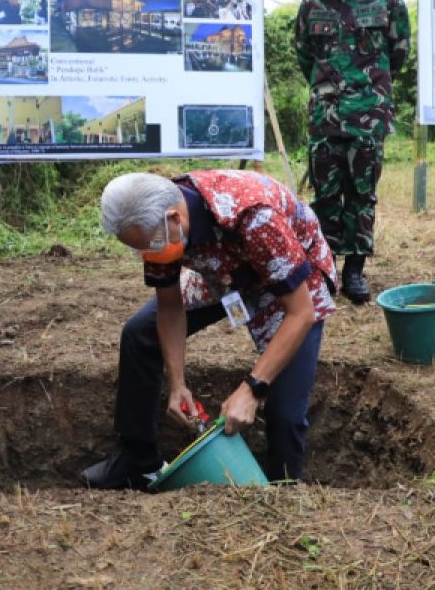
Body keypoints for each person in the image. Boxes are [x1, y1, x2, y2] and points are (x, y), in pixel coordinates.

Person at [81, 170, 337, 490]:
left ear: (175, 218)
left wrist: (251, 390)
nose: (148, 257)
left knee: (285, 410)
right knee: (139, 333)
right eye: (139, 251)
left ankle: (283, 490)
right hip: (223, 271)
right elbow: (170, 306)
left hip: (292, 281)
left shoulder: (254, 217)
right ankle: (138, 460)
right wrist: (177, 383)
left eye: (149, 248)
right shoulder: (158, 230)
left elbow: (301, 313)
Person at [293, 0, 410, 303]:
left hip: (368, 114)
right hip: (326, 116)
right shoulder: (313, 4)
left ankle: (355, 270)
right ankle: (325, 267)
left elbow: (399, 53)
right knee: (325, 194)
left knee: (361, 193)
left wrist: (369, 88)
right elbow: (304, 56)